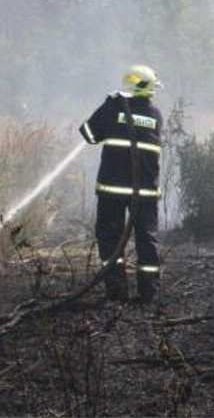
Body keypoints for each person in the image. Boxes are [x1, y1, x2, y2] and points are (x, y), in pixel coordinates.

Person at [79, 65, 164, 303]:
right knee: (147, 241)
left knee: (110, 239)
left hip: (112, 191)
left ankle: (116, 292)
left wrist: (107, 103)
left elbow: (88, 133)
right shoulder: (155, 115)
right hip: (145, 193)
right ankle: (149, 293)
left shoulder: (113, 107)